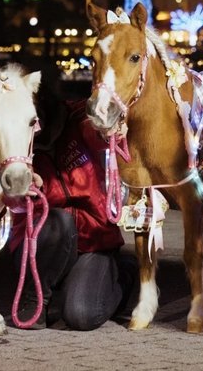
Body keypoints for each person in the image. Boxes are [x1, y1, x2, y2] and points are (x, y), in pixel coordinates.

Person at [8, 97, 137, 330]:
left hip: (92, 242)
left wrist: (110, 129)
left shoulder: (78, 121)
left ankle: (123, 275)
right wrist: (31, 190)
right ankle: (35, 300)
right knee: (58, 221)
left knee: (81, 315)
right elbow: (6, 199)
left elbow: (98, 131)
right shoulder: (13, 145)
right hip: (43, 242)